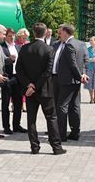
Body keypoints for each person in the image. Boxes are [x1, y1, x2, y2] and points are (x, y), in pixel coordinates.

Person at [15, 22, 65, 155]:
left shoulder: (25, 49)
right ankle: (56, 147)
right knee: (51, 118)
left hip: (29, 91)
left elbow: (19, 69)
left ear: (33, 33)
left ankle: (34, 147)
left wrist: (29, 85)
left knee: (31, 119)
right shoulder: (49, 49)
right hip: (45, 90)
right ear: (45, 33)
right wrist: (36, 86)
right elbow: (48, 72)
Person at [52, 23, 87, 141]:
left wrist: (81, 76)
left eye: (60, 32)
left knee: (62, 106)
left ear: (65, 32)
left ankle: (61, 135)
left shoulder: (70, 45)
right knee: (74, 106)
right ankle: (75, 133)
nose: (59, 34)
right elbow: (83, 61)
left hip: (66, 80)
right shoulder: (79, 44)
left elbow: (74, 63)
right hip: (65, 79)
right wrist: (82, 75)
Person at [0, 28, 27, 134]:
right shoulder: (1, 47)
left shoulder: (18, 47)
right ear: (5, 36)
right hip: (7, 78)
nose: (12, 38)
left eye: (13, 36)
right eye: (9, 36)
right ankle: (6, 126)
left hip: (18, 78)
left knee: (18, 103)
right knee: (5, 103)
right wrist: (8, 59)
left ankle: (17, 125)